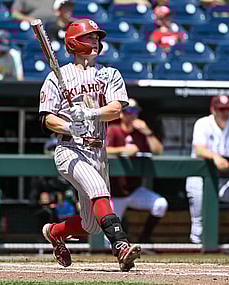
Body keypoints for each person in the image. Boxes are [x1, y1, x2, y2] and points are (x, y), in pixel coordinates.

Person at [38, 19, 141, 271]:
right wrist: (68, 126)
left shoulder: (109, 74)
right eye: (89, 37)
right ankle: (121, 245)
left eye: (96, 38)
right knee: (98, 190)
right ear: (74, 42)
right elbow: (47, 117)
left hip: (98, 150)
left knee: (90, 225)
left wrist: (89, 114)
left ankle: (54, 231)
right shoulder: (56, 77)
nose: (95, 41)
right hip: (69, 149)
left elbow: (116, 108)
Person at [106, 98, 168, 243]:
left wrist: (148, 133)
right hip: (114, 193)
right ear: (121, 114)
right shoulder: (114, 130)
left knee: (160, 204)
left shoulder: (141, 133)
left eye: (135, 111)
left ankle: (144, 239)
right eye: (128, 111)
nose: (132, 115)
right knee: (106, 239)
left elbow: (158, 151)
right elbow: (102, 150)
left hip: (134, 190)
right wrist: (123, 150)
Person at [185, 96, 229, 244]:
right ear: (213, 110)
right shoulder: (203, 123)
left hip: (224, 179)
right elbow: (199, 149)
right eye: (221, 109)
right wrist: (215, 156)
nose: (225, 112)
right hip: (200, 177)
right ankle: (196, 248)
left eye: (227, 109)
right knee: (199, 223)